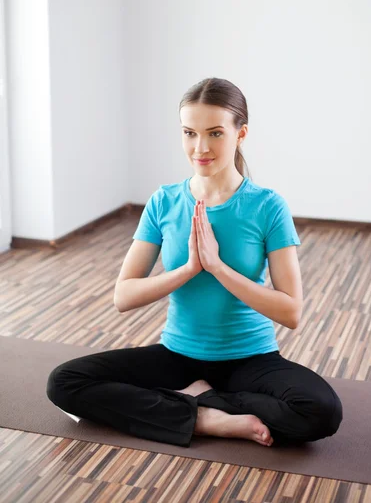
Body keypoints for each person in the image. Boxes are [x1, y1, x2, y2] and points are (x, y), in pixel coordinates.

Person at [46, 77, 343, 448]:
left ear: (241, 134)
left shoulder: (268, 206)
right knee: (64, 381)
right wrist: (188, 269)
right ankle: (205, 417)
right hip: (177, 356)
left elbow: (291, 312)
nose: (200, 147)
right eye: (189, 133)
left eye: (215, 133)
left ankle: (197, 400)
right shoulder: (163, 202)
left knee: (322, 410)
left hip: (250, 360)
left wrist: (218, 268)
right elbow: (123, 296)